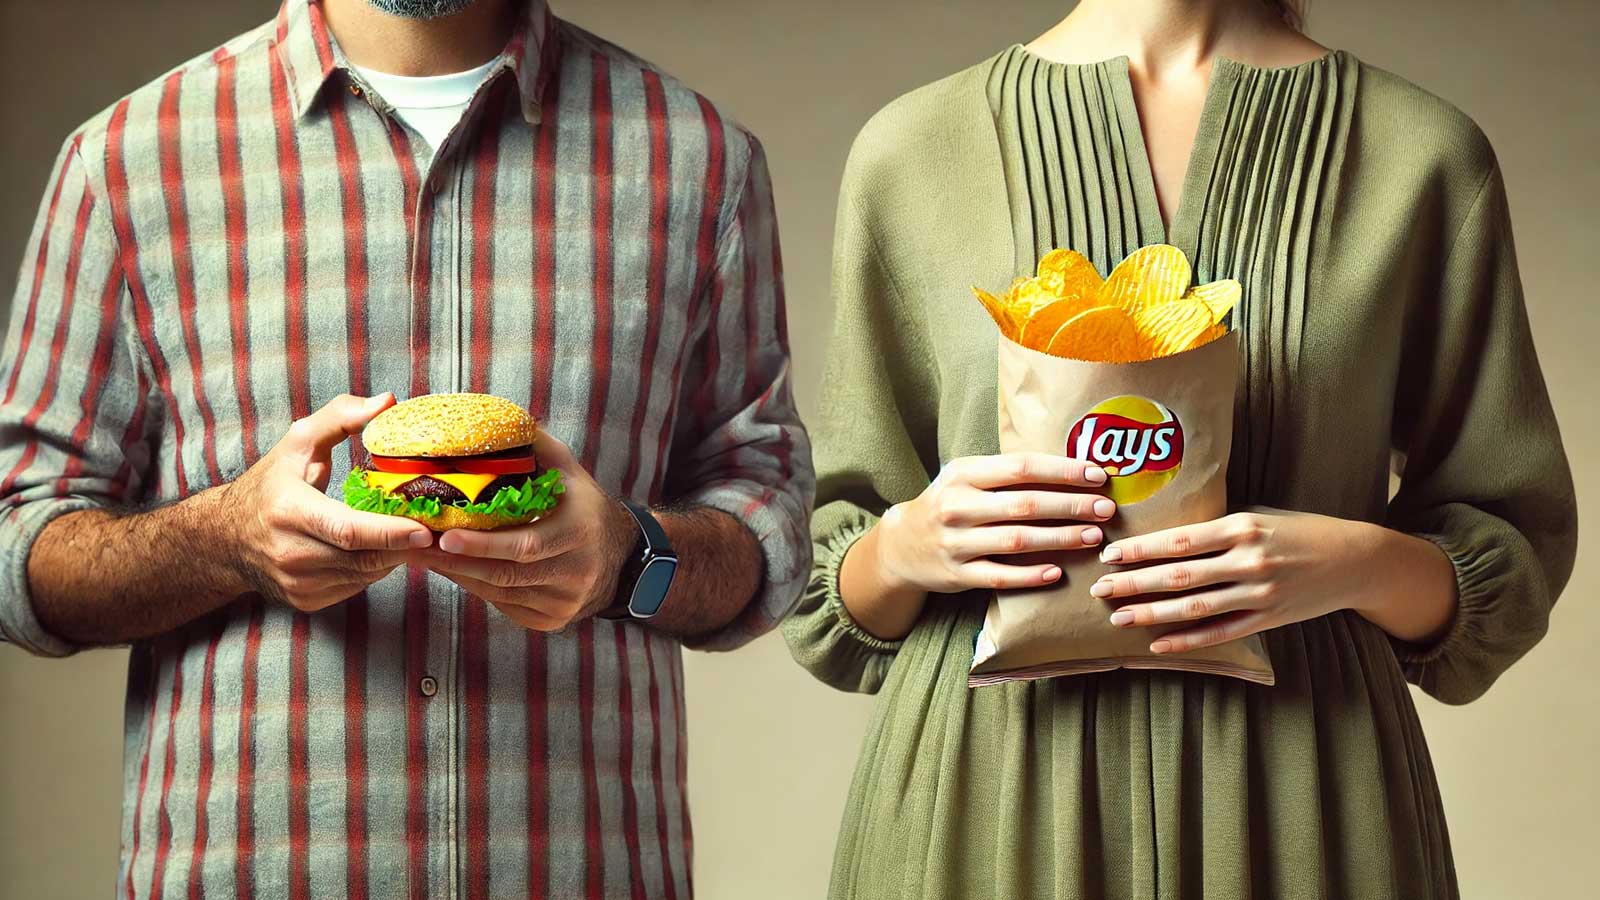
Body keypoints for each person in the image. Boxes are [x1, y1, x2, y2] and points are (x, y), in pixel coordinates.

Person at [0, 0, 812, 896]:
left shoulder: (697, 161)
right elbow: (17, 544)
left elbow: (766, 519)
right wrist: (227, 539)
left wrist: (628, 561)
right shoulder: (124, 162)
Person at [783, 0, 1576, 897]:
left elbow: (1511, 552)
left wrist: (1357, 562)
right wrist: (909, 545)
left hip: (1311, 795)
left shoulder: (1421, 154)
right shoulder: (913, 149)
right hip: (987, 799)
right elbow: (823, 584)